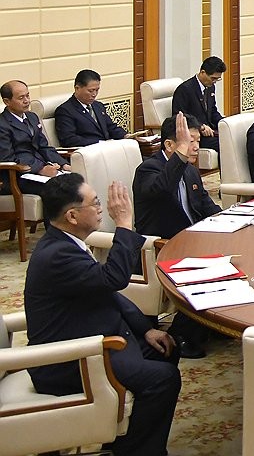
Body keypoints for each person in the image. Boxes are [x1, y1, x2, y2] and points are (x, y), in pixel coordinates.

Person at [24, 173, 181, 456]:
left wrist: (146, 329)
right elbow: (114, 279)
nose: (101, 208)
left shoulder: (66, 242)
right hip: (71, 360)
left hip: (100, 337)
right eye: (94, 203)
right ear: (72, 216)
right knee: (163, 378)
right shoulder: (57, 255)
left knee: (167, 348)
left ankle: (127, 443)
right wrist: (123, 224)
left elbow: (105, 291)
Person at [132, 111, 219, 359]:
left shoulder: (190, 170)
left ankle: (212, 322)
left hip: (193, 239)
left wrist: (231, 220)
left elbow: (204, 204)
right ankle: (181, 335)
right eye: (189, 141)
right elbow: (161, 189)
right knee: (211, 268)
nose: (195, 147)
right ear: (170, 144)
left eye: (197, 142)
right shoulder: (148, 170)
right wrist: (179, 158)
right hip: (163, 245)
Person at [0, 79, 69, 195]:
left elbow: (43, 146)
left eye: (27, 96)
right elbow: (7, 158)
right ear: (7, 101)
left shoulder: (32, 117)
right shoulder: (2, 124)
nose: (27, 101)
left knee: (76, 181)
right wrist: (41, 169)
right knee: (59, 189)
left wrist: (63, 164)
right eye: (21, 98)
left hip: (40, 168)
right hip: (17, 175)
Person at [54, 69, 129, 147]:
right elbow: (69, 139)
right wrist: (99, 143)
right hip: (89, 152)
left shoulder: (98, 106)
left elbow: (111, 127)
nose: (94, 94)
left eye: (97, 90)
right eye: (91, 91)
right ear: (77, 88)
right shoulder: (65, 110)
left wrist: (126, 136)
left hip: (107, 149)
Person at [171, 56, 226, 153]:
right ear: (203, 72)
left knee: (233, 139)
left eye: (217, 79)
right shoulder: (185, 89)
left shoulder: (210, 87)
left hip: (211, 132)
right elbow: (179, 116)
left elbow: (213, 111)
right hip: (196, 135)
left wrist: (225, 124)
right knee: (225, 145)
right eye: (213, 78)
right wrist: (200, 126)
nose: (214, 82)